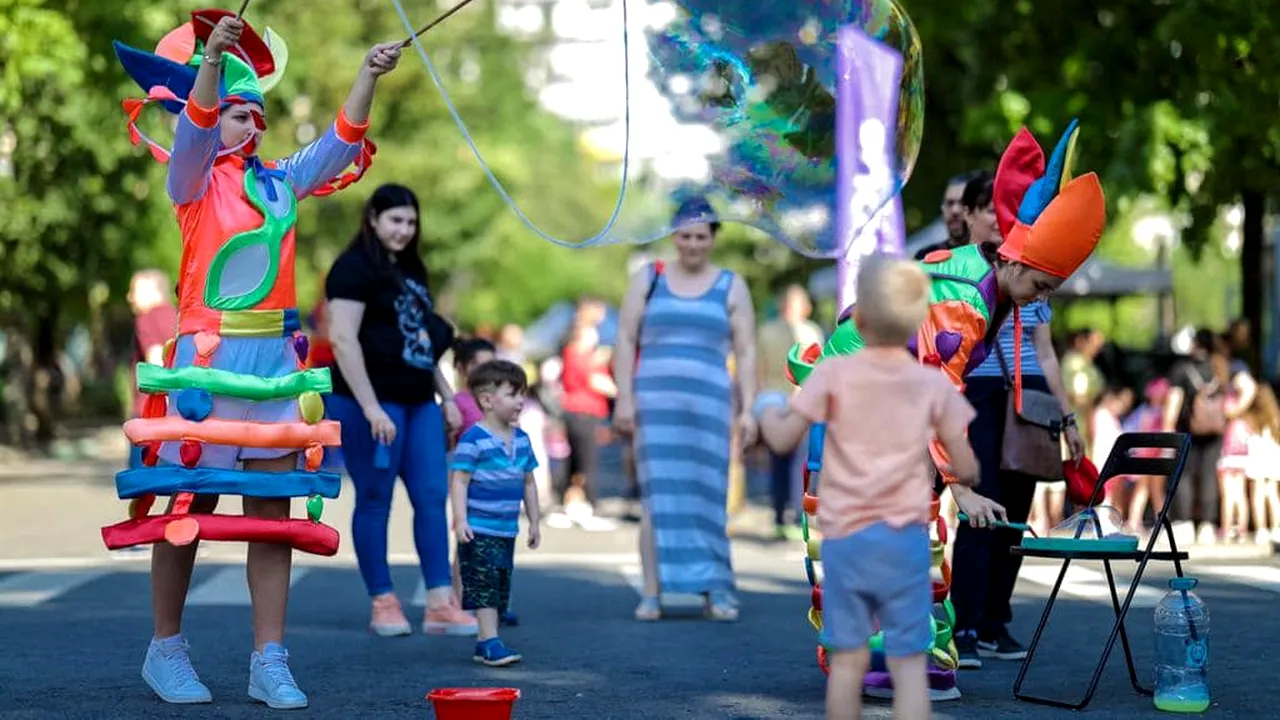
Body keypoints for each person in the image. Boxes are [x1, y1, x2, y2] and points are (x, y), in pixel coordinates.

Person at [110, 10, 396, 708]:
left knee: (271, 510)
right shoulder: (192, 181)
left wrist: (366, 76)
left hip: (275, 360)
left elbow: (339, 142)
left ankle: (270, 659)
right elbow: (196, 127)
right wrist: (210, 60)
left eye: (258, 115)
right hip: (205, 362)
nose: (252, 125)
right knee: (188, 501)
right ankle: (165, 649)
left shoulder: (279, 182)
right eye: (240, 114)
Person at [784, 118, 1108, 701]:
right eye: (1040, 284)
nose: (1041, 298)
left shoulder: (986, 282)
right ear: (1012, 263)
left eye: (1049, 291)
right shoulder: (966, 299)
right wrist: (961, 486)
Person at [757, 256, 981, 720]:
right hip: (905, 542)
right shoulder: (929, 385)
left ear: (857, 317)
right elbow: (966, 466)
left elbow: (781, 440)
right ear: (920, 322)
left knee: (848, 664)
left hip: (847, 541)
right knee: (908, 665)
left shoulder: (833, 375)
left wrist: (764, 410)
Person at [326, 184, 477, 638]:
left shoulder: (412, 271)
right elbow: (342, 339)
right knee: (375, 499)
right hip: (369, 402)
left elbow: (422, 344)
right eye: (395, 220)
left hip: (418, 401)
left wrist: (447, 396)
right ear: (373, 218)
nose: (404, 230)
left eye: (411, 222)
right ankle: (383, 602)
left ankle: (438, 603)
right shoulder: (352, 268)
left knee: (433, 497)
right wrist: (371, 407)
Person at [613, 196, 758, 622]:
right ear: (673, 236)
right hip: (654, 405)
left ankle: (716, 590)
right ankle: (652, 593)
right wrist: (623, 397)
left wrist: (747, 408)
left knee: (708, 494)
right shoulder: (649, 277)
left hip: (710, 406)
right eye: (685, 235)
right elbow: (625, 338)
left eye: (701, 236)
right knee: (657, 497)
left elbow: (746, 351)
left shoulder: (731, 284)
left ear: (713, 238)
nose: (692, 244)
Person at [451, 360, 542, 666]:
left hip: (506, 529)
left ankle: (485, 639)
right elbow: (460, 480)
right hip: (480, 528)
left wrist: (534, 522)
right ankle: (489, 640)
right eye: (513, 394)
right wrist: (461, 520)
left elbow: (529, 483)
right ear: (488, 400)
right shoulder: (473, 439)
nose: (521, 401)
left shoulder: (523, 440)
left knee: (502, 581)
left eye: (523, 394)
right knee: (485, 583)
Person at [756, 285, 825, 541]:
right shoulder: (813, 331)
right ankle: (797, 515)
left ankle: (778, 514)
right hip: (802, 397)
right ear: (804, 306)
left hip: (772, 399)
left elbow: (758, 371)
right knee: (802, 460)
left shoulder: (764, 330)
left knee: (777, 459)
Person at [1162, 329, 1229, 546]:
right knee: (1209, 475)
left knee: (1184, 475)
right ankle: (1208, 526)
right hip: (1215, 431)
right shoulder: (1219, 366)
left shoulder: (1182, 368)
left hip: (1187, 429)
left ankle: (1185, 522)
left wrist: (1166, 430)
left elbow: (1174, 401)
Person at [548, 321, 617, 531]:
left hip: (583, 413)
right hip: (582, 413)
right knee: (587, 462)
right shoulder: (578, 356)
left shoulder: (579, 356)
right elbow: (596, 381)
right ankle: (588, 505)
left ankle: (571, 503)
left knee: (577, 462)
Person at [128, 269, 178, 419]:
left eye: (133, 291)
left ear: (150, 292)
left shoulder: (147, 318)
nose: (130, 297)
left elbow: (156, 360)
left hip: (151, 411)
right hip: (179, 411)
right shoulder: (179, 317)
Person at [914, 172, 980, 259]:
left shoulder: (991, 257)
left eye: (962, 203)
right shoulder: (925, 257)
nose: (955, 210)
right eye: (950, 203)